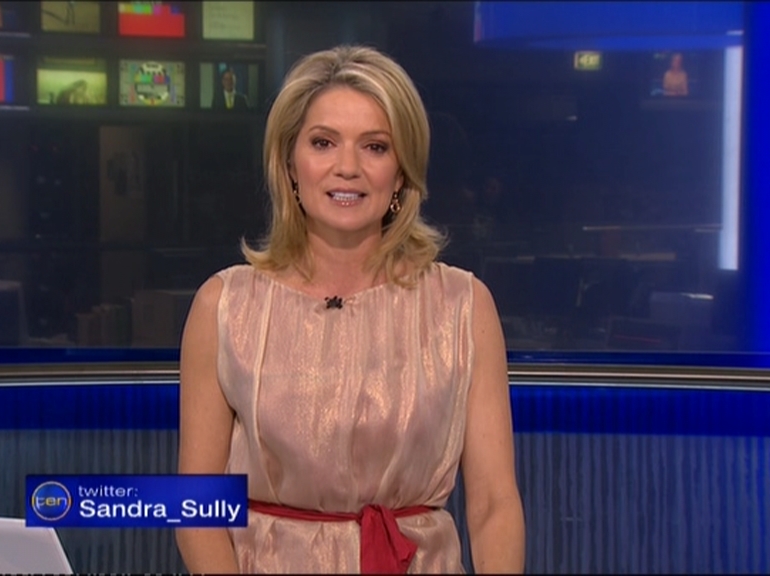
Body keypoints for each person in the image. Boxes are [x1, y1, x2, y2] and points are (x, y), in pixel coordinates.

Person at [176, 45, 526, 574]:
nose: (347, 168)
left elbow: (494, 504)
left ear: (401, 173)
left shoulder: (463, 308)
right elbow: (196, 508)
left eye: (375, 147)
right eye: (323, 143)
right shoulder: (224, 307)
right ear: (289, 163)